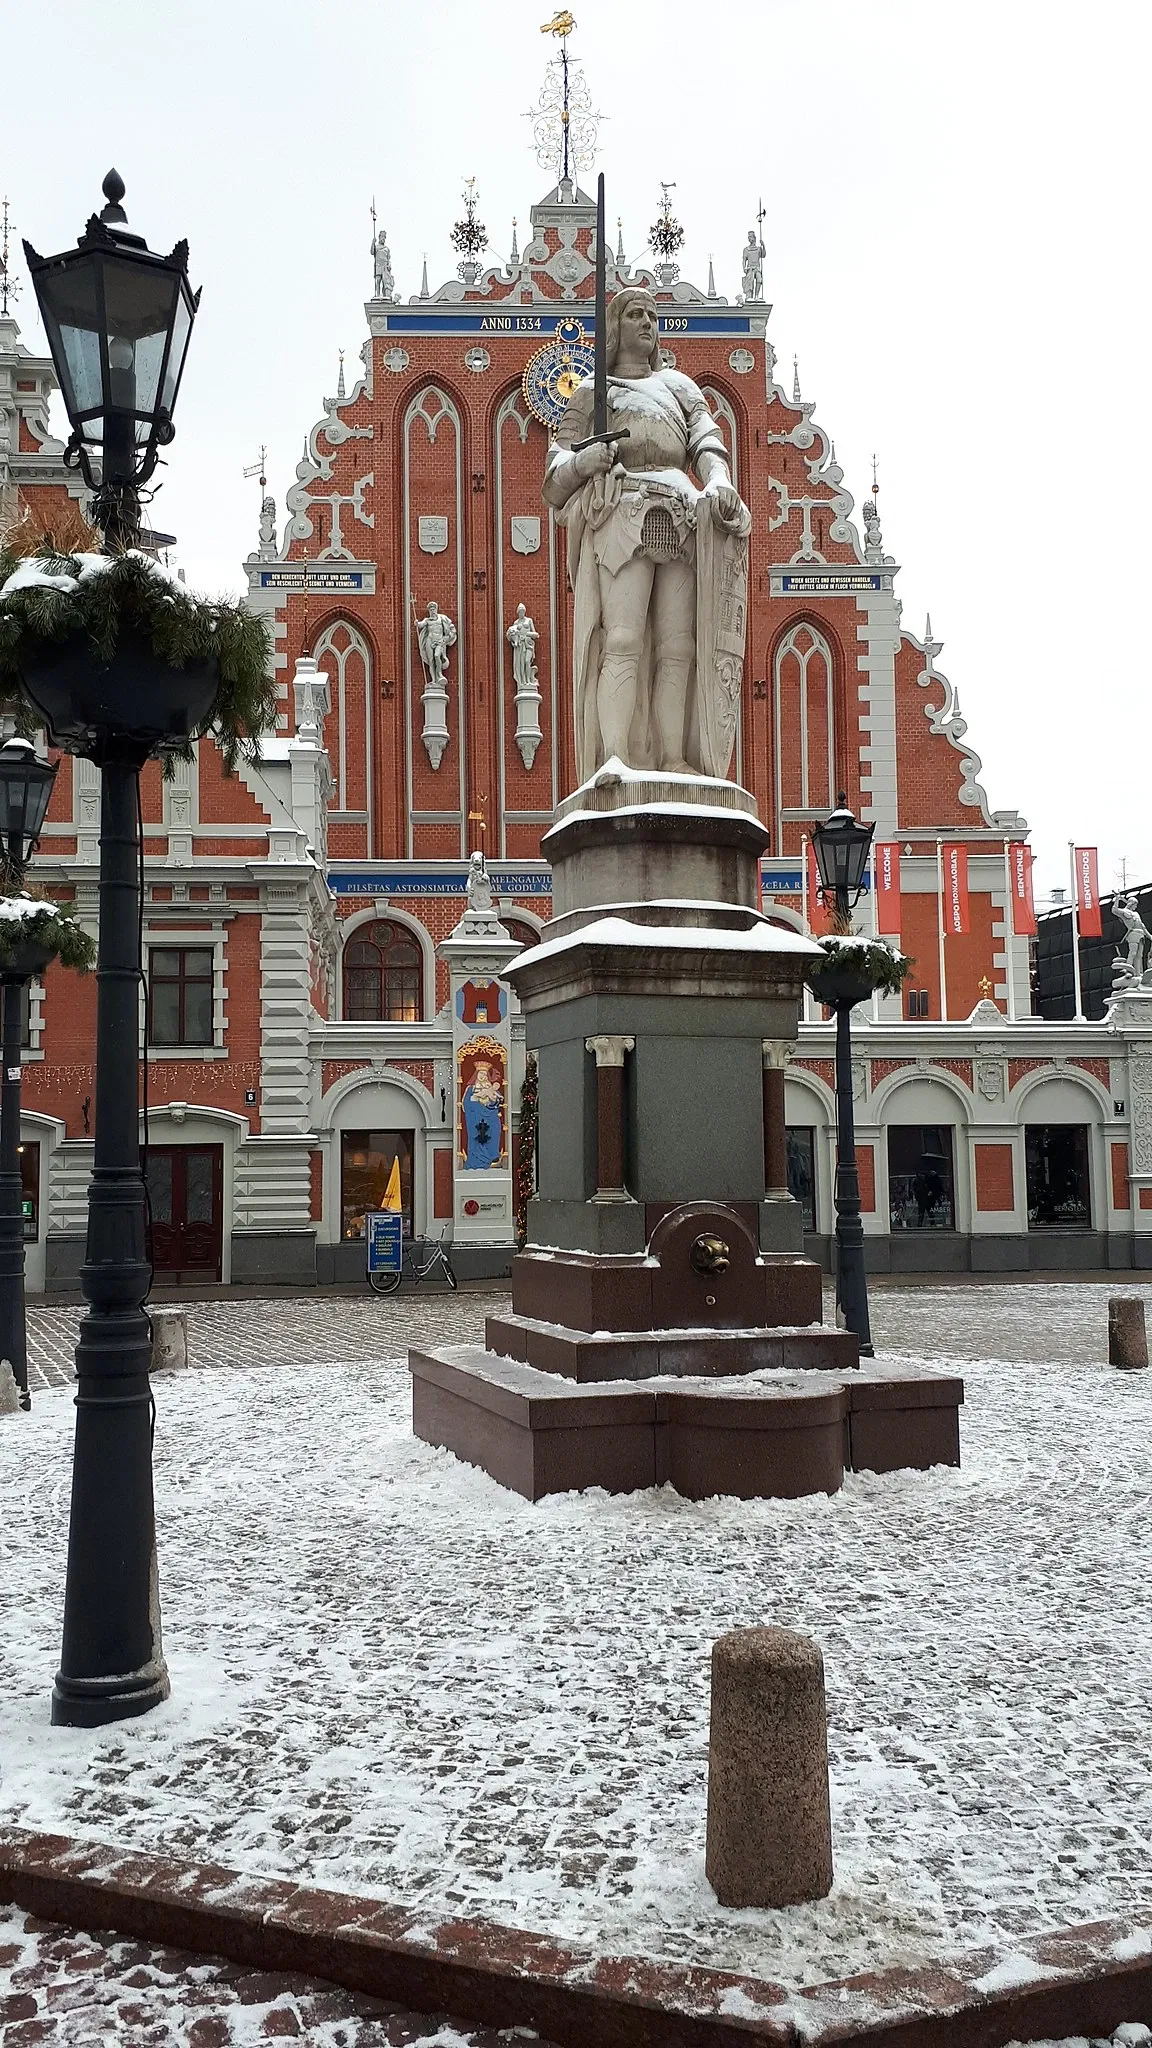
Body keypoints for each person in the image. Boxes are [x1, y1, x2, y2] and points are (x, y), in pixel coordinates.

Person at [542, 286, 751, 780]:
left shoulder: (680, 388)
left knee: (679, 647)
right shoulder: (594, 393)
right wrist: (584, 461)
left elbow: (708, 443)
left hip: (681, 515)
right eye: (635, 314)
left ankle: (674, 759)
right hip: (625, 509)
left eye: (653, 316)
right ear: (615, 326)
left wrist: (718, 481)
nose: (647, 323)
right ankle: (615, 757)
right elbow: (554, 475)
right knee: (622, 636)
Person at [462, 1058, 504, 1169]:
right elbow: (466, 1104)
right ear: (476, 1074)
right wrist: (476, 1098)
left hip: (490, 1115)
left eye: (485, 1074)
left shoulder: (490, 1087)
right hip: (475, 1117)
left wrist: (491, 1098)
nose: (482, 1076)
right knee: (477, 1136)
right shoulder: (471, 1088)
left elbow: (497, 1101)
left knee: (495, 1129)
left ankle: (492, 1155)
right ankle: (475, 1159)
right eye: (480, 1073)